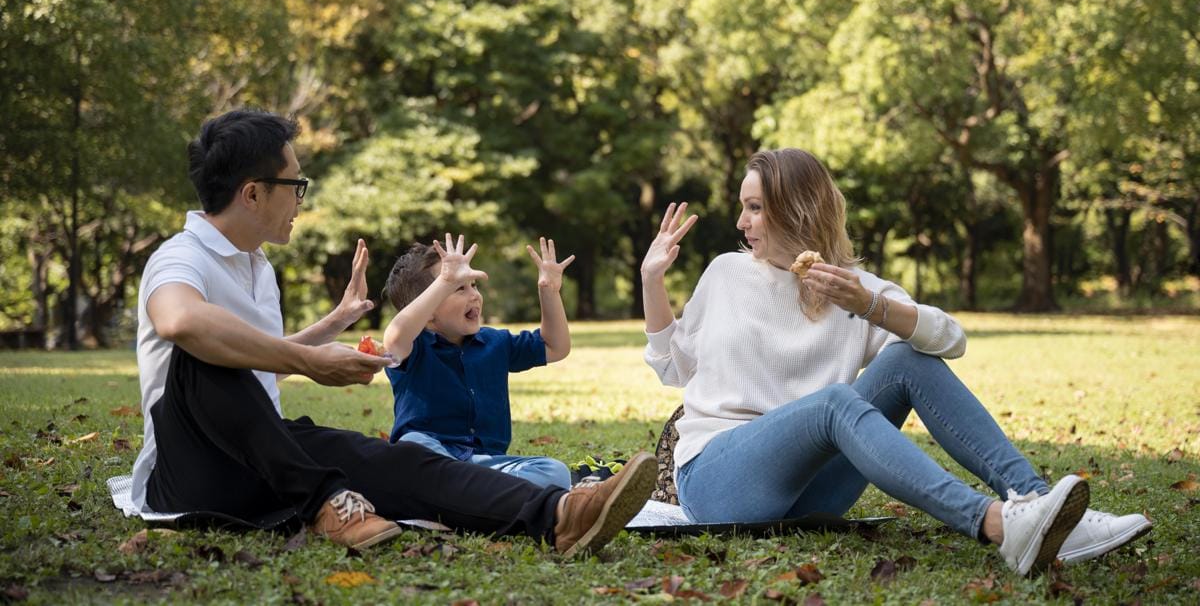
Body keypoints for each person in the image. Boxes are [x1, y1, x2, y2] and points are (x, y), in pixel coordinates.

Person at [131, 108, 655, 554]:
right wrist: (310, 362)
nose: (300, 200)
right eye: (296, 186)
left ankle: (562, 514)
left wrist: (333, 326)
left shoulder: (257, 267)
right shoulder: (181, 257)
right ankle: (323, 501)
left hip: (267, 458)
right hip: (190, 472)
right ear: (252, 193)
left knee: (403, 461)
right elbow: (182, 321)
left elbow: (253, 375)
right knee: (200, 352)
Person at [641, 148, 1151, 576]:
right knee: (834, 403)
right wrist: (651, 281)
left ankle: (1040, 506)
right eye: (743, 207)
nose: (741, 222)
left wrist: (871, 306)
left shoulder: (851, 287)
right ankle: (995, 524)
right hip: (719, 480)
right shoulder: (727, 274)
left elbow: (951, 338)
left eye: (754, 208)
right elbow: (673, 368)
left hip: (813, 493)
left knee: (908, 357)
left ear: (795, 210)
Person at [378, 235, 574, 489]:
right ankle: (477, 495)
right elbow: (393, 337)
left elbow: (555, 346)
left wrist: (549, 292)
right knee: (413, 444)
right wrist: (445, 282)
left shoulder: (495, 342)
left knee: (555, 472)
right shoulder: (412, 348)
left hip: (486, 466)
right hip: (432, 459)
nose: (475, 296)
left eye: (474, 285)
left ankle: (464, 496)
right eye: (459, 288)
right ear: (427, 312)